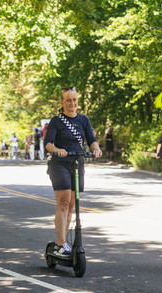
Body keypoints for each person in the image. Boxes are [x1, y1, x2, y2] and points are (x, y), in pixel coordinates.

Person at [44, 86, 102, 256]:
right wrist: (56, 150)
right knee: (63, 203)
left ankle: (61, 244)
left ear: (78, 102)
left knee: (71, 206)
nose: (72, 103)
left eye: (74, 100)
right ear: (62, 102)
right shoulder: (56, 120)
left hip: (77, 163)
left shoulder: (84, 120)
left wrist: (96, 149)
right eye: (68, 100)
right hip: (60, 164)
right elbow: (48, 142)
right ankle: (61, 244)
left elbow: (92, 140)